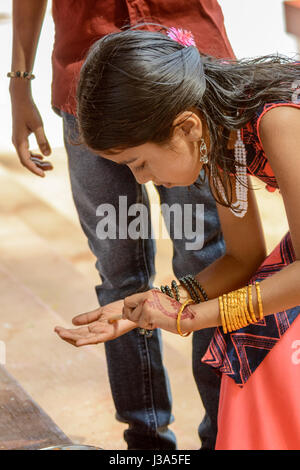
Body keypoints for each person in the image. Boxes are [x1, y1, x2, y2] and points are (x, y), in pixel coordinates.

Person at [55, 27, 300, 450]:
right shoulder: (221, 130)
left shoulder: (276, 120)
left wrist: (192, 319)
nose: (140, 179)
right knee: (249, 341)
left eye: (139, 162)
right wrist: (162, 301)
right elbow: (243, 258)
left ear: (183, 125)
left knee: (256, 344)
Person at [9, 1, 235, 450]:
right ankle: (146, 443)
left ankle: (225, 433)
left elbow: (245, 266)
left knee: (207, 263)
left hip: (184, 74)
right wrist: (20, 83)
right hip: (87, 88)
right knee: (119, 276)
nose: (141, 174)